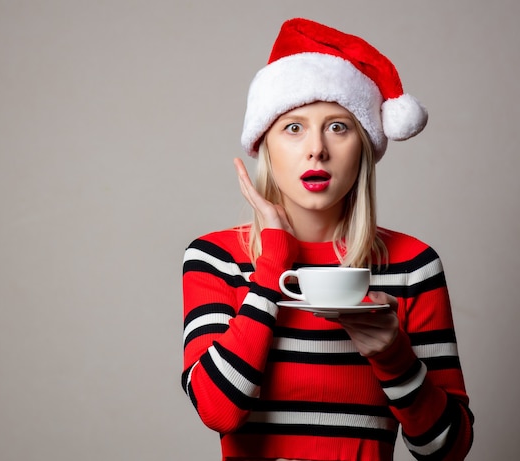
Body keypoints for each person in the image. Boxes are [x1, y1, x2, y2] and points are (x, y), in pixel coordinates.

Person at [182, 18, 474, 461]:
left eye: (338, 126)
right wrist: (274, 259)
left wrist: (394, 356)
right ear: (265, 145)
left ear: (364, 147)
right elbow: (219, 409)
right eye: (293, 127)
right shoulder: (215, 259)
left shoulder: (413, 265)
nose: (316, 148)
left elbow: (447, 449)